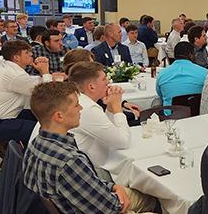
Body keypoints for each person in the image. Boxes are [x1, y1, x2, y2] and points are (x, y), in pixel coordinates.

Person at [22, 82, 157, 214]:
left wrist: (114, 186)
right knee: (153, 198)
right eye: (76, 105)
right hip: (100, 206)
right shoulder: (69, 161)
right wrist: (117, 193)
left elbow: (87, 184)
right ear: (59, 116)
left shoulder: (35, 143)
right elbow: (110, 207)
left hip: (75, 201)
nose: (81, 108)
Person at [0, 41, 54, 145]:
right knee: (44, 131)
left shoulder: (8, 69)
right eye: (27, 52)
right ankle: (31, 158)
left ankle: (28, 152)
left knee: (40, 117)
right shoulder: (14, 75)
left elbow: (32, 83)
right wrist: (45, 72)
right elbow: (48, 94)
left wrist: (44, 74)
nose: (31, 54)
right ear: (16, 58)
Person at [67, 61, 131, 166]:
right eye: (104, 79)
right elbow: (123, 142)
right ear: (91, 87)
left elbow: (108, 130)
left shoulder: (76, 98)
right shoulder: (86, 107)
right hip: (80, 171)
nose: (108, 82)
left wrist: (110, 107)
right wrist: (117, 107)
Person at [156, 42, 208, 109]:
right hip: (196, 115)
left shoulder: (162, 74)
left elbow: (161, 95)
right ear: (191, 55)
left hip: (170, 116)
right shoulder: (205, 73)